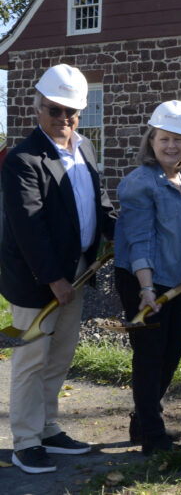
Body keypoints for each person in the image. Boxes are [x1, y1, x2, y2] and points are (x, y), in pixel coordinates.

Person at [0, 64, 117, 474]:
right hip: (38, 279)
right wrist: (53, 279)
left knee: (60, 355)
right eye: (54, 110)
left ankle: (49, 427)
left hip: (77, 271)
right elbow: (28, 227)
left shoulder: (84, 149)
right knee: (32, 359)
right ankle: (26, 441)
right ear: (37, 109)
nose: (62, 118)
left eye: (70, 111)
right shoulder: (22, 159)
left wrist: (116, 232)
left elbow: (98, 203)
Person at [114, 101, 181, 454]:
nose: (171, 146)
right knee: (150, 355)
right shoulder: (139, 184)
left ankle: (143, 422)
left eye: (179, 139)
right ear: (151, 140)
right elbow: (139, 238)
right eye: (164, 139)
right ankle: (153, 439)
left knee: (172, 352)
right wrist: (146, 288)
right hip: (146, 282)